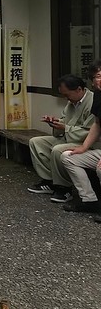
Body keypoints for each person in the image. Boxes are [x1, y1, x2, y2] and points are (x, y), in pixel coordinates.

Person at [26, 74, 95, 201]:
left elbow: (90, 131)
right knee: (36, 142)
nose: (66, 98)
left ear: (79, 89)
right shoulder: (72, 102)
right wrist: (55, 122)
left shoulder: (92, 102)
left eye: (67, 95)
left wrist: (65, 128)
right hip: (70, 137)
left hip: (86, 142)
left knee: (58, 149)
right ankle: (49, 181)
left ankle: (64, 188)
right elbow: (65, 121)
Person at [60, 61, 101, 214]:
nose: (99, 80)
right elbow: (97, 124)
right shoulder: (98, 95)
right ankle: (90, 201)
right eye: (96, 77)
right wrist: (83, 148)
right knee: (68, 156)